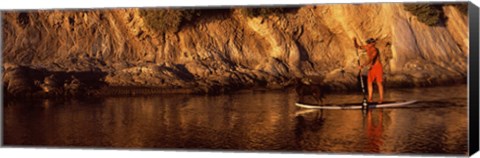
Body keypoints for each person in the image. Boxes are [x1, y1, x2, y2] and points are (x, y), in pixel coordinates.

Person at [354, 38, 384, 103]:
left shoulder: (375, 50)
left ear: (373, 44)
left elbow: (370, 59)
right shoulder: (367, 47)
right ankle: (370, 99)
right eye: (368, 43)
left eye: (369, 43)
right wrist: (354, 40)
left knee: (379, 83)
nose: (368, 44)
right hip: (371, 67)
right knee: (369, 82)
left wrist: (362, 65)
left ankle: (381, 99)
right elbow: (357, 47)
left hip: (378, 67)